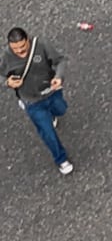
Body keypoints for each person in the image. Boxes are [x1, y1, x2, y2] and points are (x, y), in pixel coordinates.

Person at [4, 27, 70, 174]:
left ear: (28, 40)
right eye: (16, 49)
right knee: (47, 132)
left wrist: (58, 77)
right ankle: (61, 159)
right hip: (32, 101)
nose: (20, 52)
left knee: (61, 109)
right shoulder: (7, 56)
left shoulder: (41, 45)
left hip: (51, 92)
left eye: (22, 47)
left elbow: (60, 60)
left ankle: (52, 114)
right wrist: (7, 82)